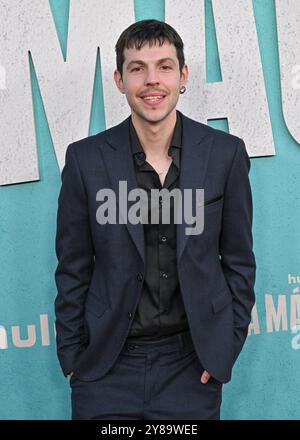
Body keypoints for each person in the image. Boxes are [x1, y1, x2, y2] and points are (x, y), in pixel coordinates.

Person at [54, 19, 256, 420]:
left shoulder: (225, 155)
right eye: (137, 68)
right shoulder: (85, 160)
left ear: (182, 76)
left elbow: (238, 262)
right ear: (119, 79)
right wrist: (75, 357)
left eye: (164, 67)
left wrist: (223, 349)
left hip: (190, 366)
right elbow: (72, 268)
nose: (152, 81)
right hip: (106, 368)